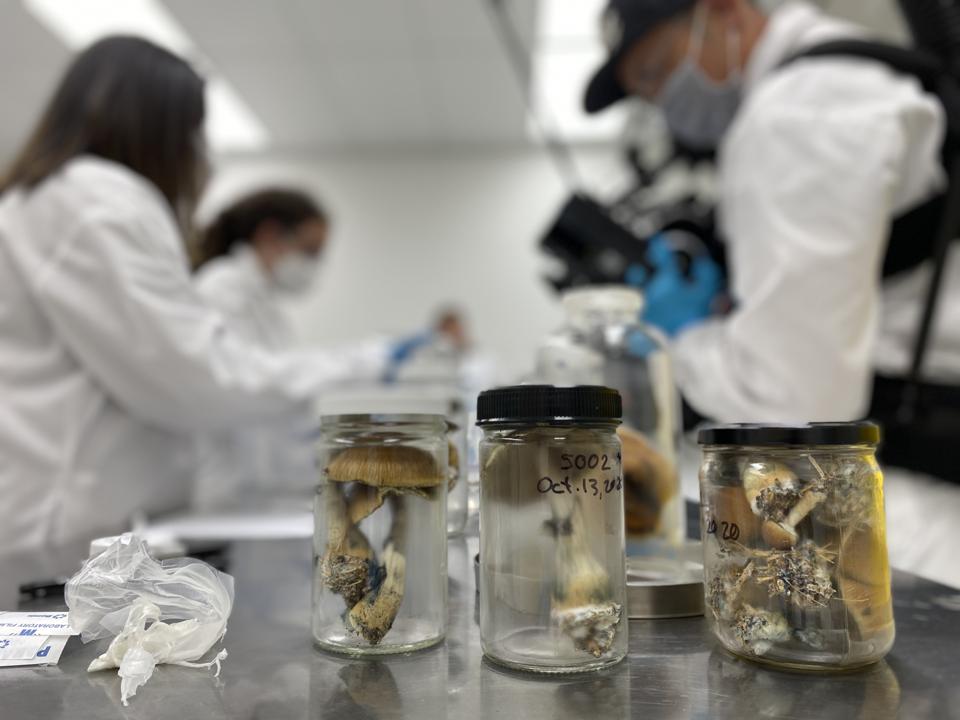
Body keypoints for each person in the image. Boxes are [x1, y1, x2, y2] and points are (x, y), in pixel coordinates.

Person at [0, 36, 374, 555]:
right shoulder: (92, 200)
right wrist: (361, 363)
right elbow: (192, 376)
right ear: (157, 126)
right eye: (193, 132)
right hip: (65, 534)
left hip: (88, 524)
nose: (200, 155)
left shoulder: (56, 198)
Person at [584, 0, 956, 426]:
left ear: (724, 11)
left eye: (657, 70)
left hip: (923, 446)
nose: (662, 101)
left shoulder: (792, 118)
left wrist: (681, 338)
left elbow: (794, 398)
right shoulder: (848, 73)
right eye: (645, 93)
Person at [190, 190, 388, 507]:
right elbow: (253, 383)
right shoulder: (220, 289)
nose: (313, 265)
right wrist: (365, 362)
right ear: (270, 234)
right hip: (228, 493)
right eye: (310, 250)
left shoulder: (266, 304)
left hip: (263, 494)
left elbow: (282, 390)